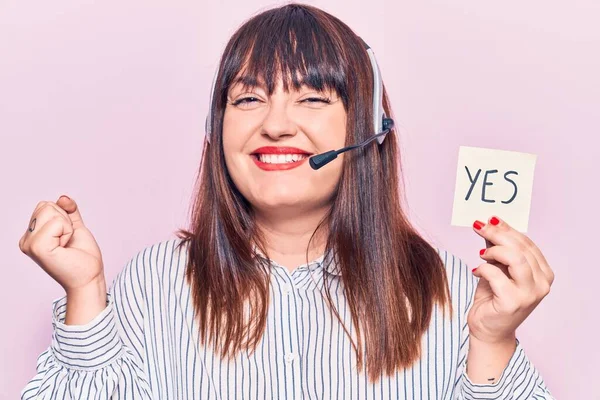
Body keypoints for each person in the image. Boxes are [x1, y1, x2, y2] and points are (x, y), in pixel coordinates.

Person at [19, 3, 555, 399]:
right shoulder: (155, 283)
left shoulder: (446, 290)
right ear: (216, 127)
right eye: (248, 98)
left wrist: (492, 341)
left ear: (368, 128)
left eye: (312, 98)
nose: (275, 124)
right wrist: (85, 293)